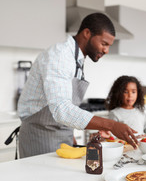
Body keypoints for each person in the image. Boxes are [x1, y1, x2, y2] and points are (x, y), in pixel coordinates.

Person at [17, 13, 138, 158]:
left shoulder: (76, 59)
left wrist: (71, 137)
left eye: (109, 46)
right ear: (87, 33)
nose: (106, 50)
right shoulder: (60, 55)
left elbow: (66, 109)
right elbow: (62, 109)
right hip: (40, 137)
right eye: (104, 44)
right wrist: (111, 125)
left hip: (63, 136)